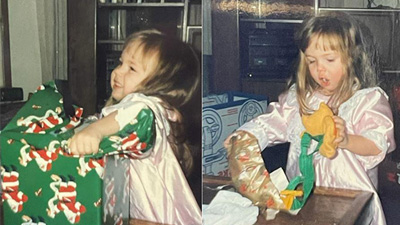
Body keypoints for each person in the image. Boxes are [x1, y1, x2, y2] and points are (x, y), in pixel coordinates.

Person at [225, 12, 395, 225]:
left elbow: (378, 144)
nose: (319, 68)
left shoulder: (368, 100)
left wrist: (346, 140)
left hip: (351, 201)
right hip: (304, 197)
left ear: (353, 57)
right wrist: (246, 134)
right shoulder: (302, 99)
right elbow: (272, 121)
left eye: (329, 59)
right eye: (312, 61)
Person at [68, 30, 201, 224]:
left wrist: (94, 132)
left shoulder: (147, 106)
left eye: (132, 69)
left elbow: (135, 113)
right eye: (121, 63)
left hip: (155, 218)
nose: (118, 71)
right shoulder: (161, 110)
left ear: (163, 83)